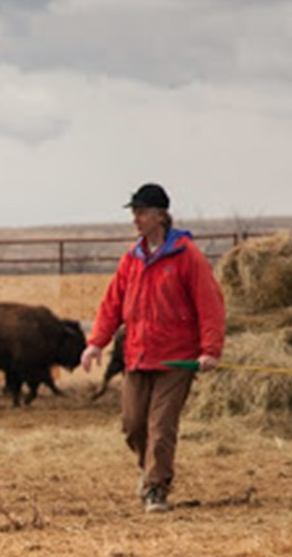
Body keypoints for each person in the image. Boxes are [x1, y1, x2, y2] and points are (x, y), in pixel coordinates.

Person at [78, 183, 226, 514]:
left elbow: (210, 304)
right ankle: (148, 471)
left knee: (161, 428)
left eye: (141, 212)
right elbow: (112, 303)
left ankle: (157, 488)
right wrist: (96, 344)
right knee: (133, 425)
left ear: (160, 215)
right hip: (138, 355)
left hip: (177, 358)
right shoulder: (132, 258)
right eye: (134, 212)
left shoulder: (187, 256)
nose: (136, 219)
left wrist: (210, 349)